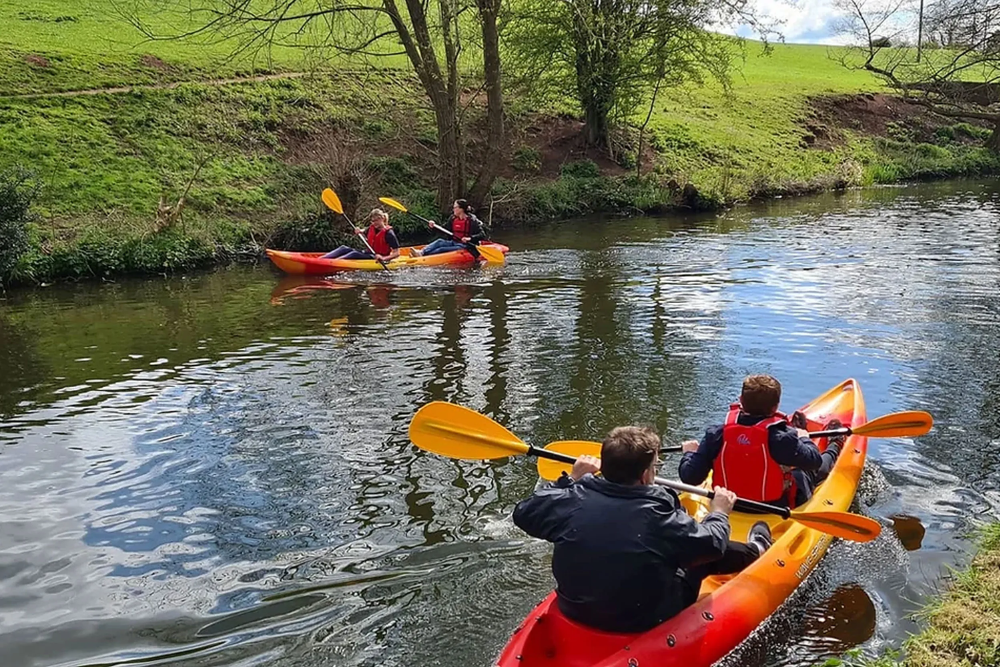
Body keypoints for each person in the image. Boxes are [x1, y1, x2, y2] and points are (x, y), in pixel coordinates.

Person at [512, 426, 772, 634]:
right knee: (696, 555)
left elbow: (524, 512)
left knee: (676, 543)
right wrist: (719, 511)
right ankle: (756, 550)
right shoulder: (657, 516)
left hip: (574, 609)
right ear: (646, 476)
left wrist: (571, 479)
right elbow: (714, 544)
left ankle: (751, 549)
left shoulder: (572, 497)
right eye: (655, 466)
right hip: (642, 620)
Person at [678, 374, 845, 508]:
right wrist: (803, 437)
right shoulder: (782, 438)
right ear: (775, 407)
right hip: (775, 506)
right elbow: (814, 461)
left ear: (741, 401)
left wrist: (690, 454)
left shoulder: (715, 434)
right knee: (805, 470)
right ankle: (835, 444)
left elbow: (690, 477)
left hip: (728, 504)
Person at [411, 199, 486, 257]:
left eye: (455, 207)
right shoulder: (453, 218)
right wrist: (433, 226)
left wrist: (469, 238)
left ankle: (423, 256)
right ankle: (421, 252)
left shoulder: (472, 220)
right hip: (453, 242)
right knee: (439, 241)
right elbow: (443, 229)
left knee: (441, 249)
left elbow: (482, 235)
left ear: (461, 209)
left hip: (465, 246)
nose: (453, 209)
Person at [322, 208, 400, 262]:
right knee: (343, 248)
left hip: (378, 257)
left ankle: (332, 263)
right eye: (372, 221)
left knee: (354, 254)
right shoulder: (372, 227)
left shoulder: (389, 233)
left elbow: (397, 253)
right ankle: (321, 260)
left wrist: (384, 259)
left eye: (376, 220)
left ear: (382, 219)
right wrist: (359, 230)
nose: (374, 223)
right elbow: (364, 230)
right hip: (369, 253)